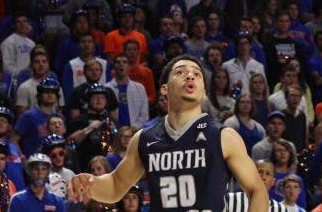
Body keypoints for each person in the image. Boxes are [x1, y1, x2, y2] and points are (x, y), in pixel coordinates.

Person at [67, 54, 269, 212]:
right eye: (181, 72)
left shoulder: (224, 136)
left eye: (197, 74)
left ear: (204, 92)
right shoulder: (144, 139)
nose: (190, 76)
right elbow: (115, 186)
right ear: (164, 89)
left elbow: (257, 190)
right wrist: (87, 183)